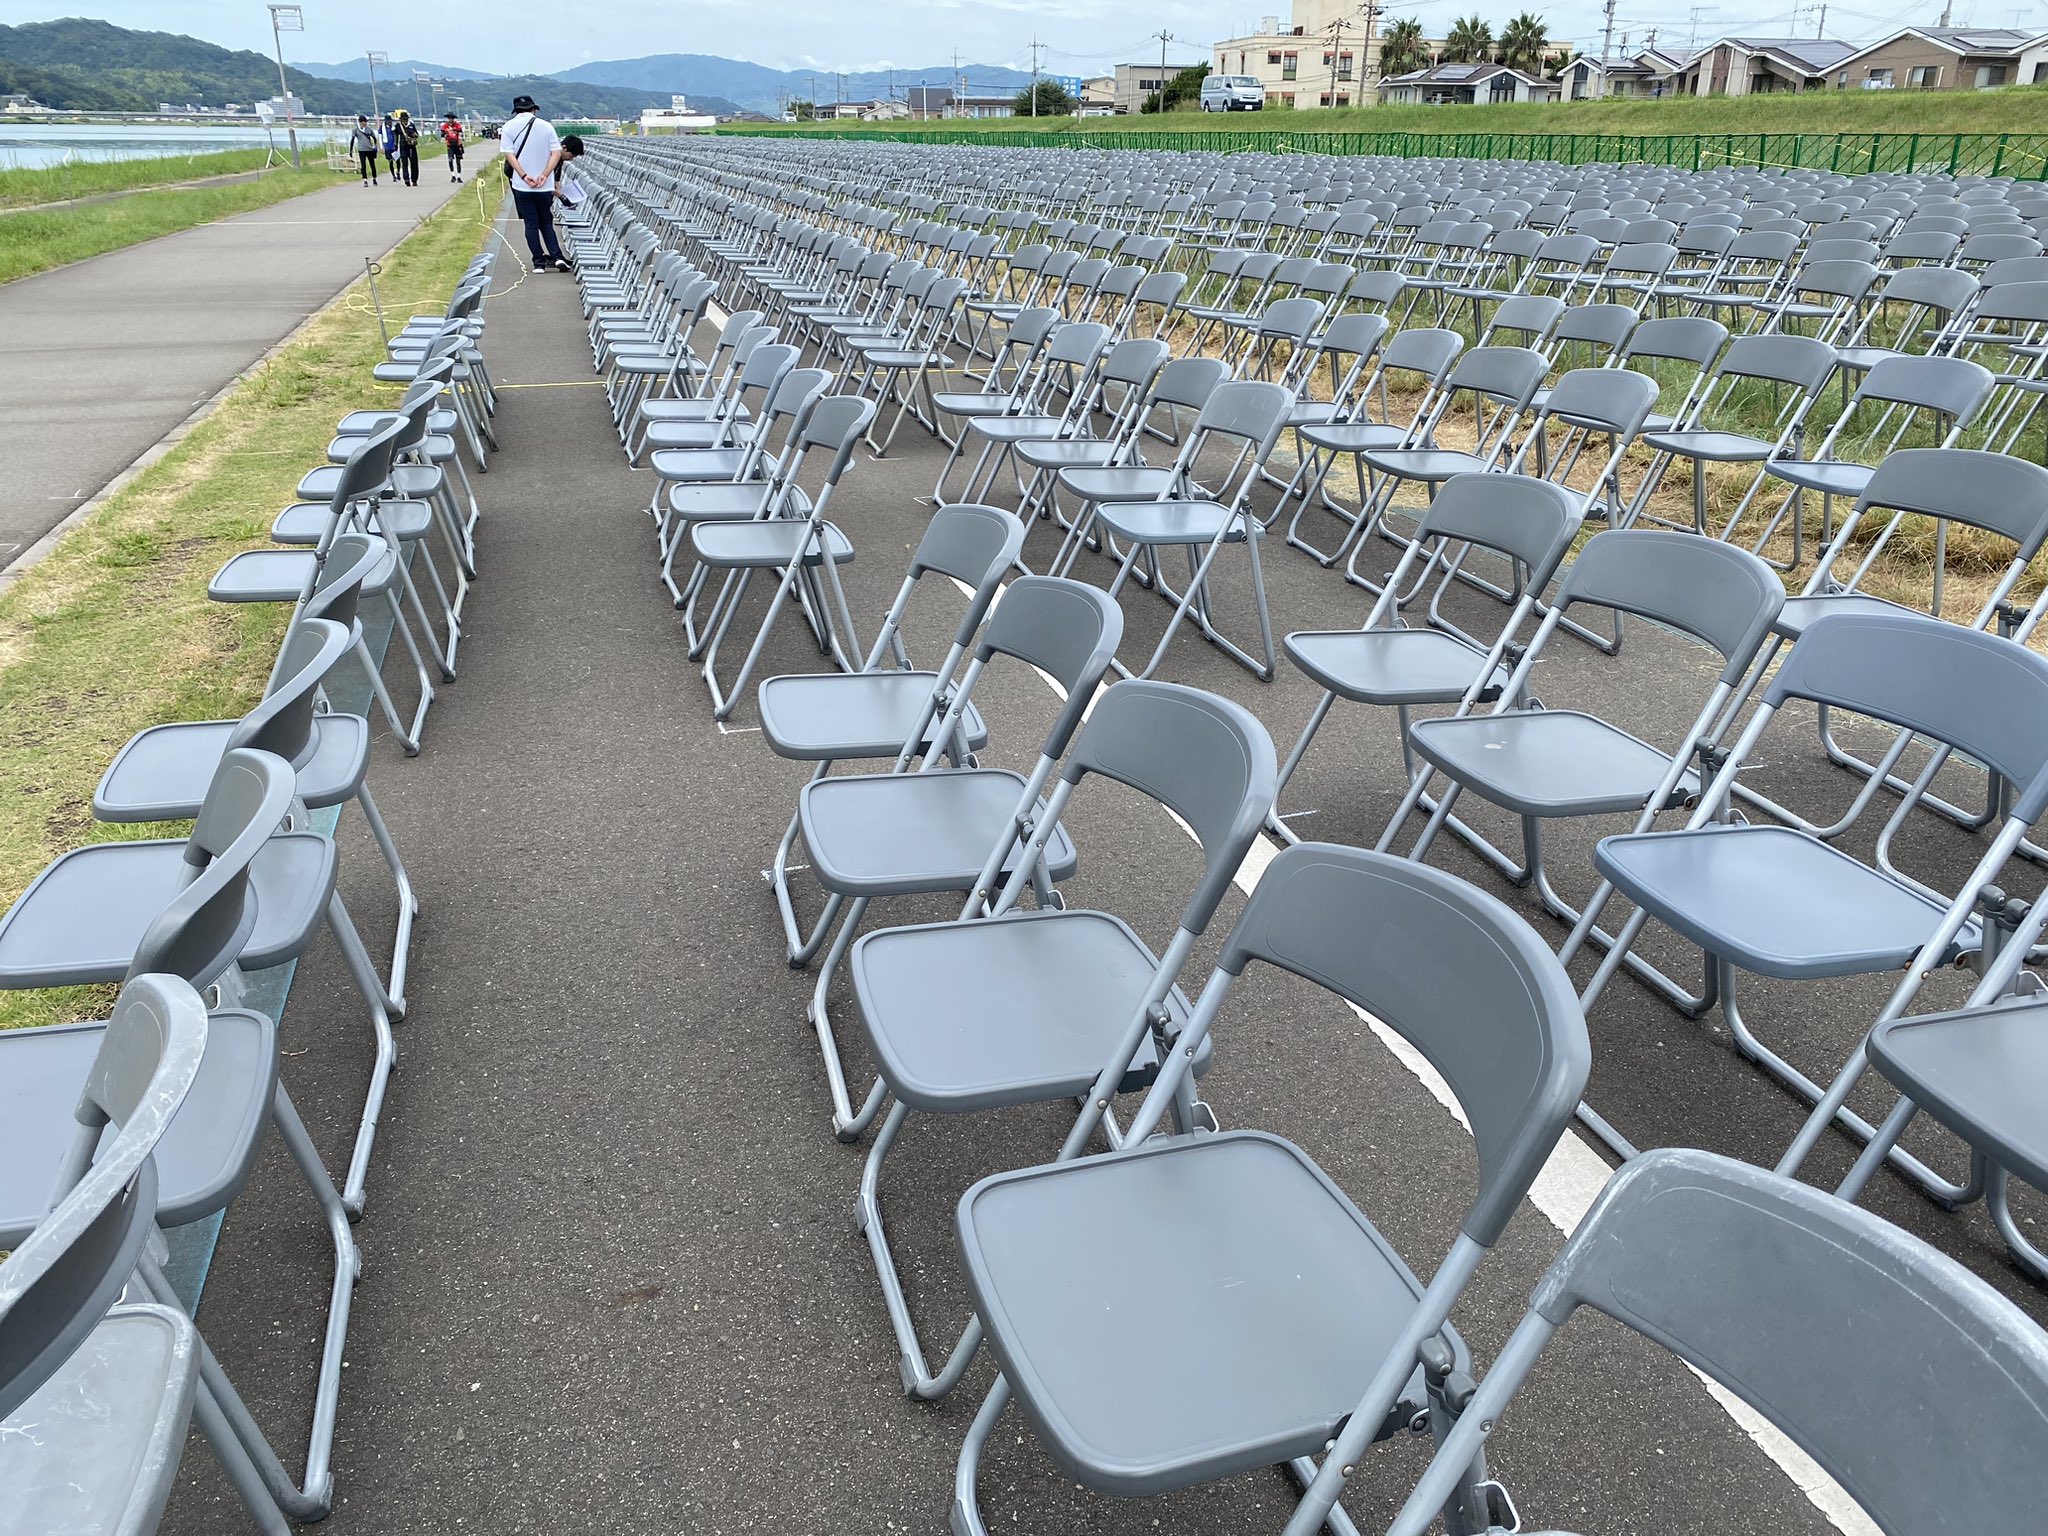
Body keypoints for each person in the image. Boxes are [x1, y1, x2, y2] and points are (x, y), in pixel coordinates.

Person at [500, 93, 573, 272]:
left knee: (531, 224)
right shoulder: (546, 126)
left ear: (516, 110)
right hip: (544, 186)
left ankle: (538, 262)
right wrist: (544, 174)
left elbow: (509, 155)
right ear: (534, 110)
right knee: (546, 222)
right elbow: (556, 152)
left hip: (522, 185)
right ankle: (557, 256)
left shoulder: (508, 127)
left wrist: (524, 176)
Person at [348, 114, 380, 185]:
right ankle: (365, 179)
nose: (365, 123)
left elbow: (374, 138)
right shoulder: (356, 130)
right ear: (360, 122)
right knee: (363, 165)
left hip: (370, 149)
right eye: (363, 122)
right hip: (361, 150)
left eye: (365, 122)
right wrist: (350, 150)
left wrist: (375, 146)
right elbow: (352, 140)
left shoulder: (369, 129)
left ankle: (374, 178)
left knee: (372, 164)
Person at [394, 108, 421, 188]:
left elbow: (417, 135)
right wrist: (395, 145)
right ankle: (406, 179)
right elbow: (396, 135)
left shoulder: (411, 125)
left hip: (412, 146)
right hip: (403, 146)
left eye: (405, 119)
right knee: (404, 163)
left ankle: (414, 179)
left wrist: (413, 134)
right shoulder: (398, 126)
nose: (404, 120)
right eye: (403, 119)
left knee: (414, 163)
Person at [439, 111, 465, 183]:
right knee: (450, 160)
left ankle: (459, 176)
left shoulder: (457, 125)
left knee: (458, 161)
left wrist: (453, 129)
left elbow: (460, 130)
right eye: (449, 118)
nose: (450, 120)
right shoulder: (445, 126)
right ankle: (453, 175)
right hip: (450, 144)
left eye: (452, 118)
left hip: (457, 144)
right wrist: (445, 135)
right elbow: (442, 134)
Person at [380, 114, 399, 186]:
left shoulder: (394, 127)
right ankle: (393, 175)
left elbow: (397, 135)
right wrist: (381, 146)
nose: (389, 122)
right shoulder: (382, 127)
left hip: (394, 146)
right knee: (390, 161)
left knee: (397, 161)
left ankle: (398, 172)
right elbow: (380, 136)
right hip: (387, 146)